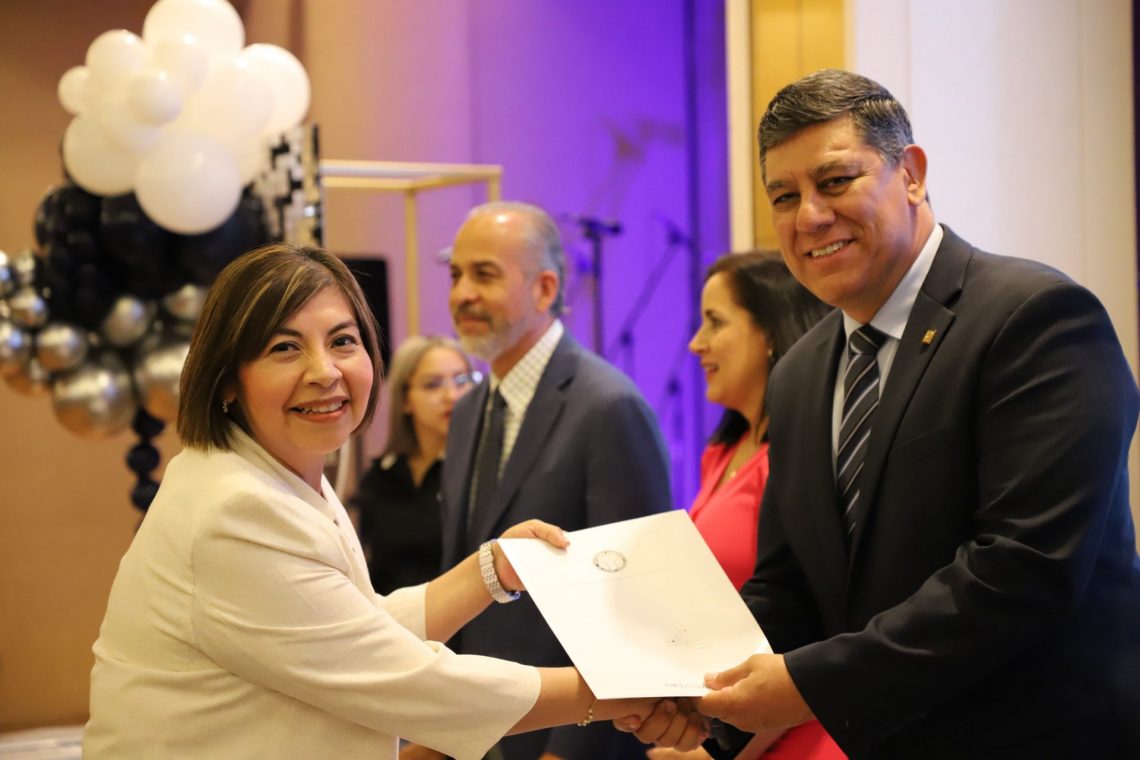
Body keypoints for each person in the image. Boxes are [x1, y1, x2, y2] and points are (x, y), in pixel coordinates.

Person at [634, 69, 1140, 758]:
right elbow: (789, 586)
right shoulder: (800, 374)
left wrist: (806, 685)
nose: (809, 216)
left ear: (912, 174)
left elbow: (1023, 571)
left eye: (835, 181)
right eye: (784, 196)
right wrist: (695, 695)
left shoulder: (1034, 318)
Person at [82, 244, 706, 760]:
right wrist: (624, 689)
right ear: (225, 382)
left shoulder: (279, 472)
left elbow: (353, 628)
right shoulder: (235, 510)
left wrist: (494, 568)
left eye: (343, 340)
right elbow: (405, 679)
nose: (325, 371)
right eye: (284, 348)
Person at [438, 200, 674, 760]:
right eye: (456, 275)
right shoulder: (469, 410)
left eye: (484, 275)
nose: (462, 294)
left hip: (565, 738)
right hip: (476, 730)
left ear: (544, 289)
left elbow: (633, 600)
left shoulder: (608, 407)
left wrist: (568, 750)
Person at [649, 251, 839, 760]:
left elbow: (811, 625)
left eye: (715, 322)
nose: (696, 343)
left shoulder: (798, 459)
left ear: (771, 332)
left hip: (796, 736)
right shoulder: (722, 453)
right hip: (731, 725)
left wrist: (718, 751)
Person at [351, 335, 478, 594]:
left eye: (461, 381)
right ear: (406, 400)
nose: (451, 396)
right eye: (433, 385)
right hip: (392, 614)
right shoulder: (381, 477)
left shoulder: (482, 472)